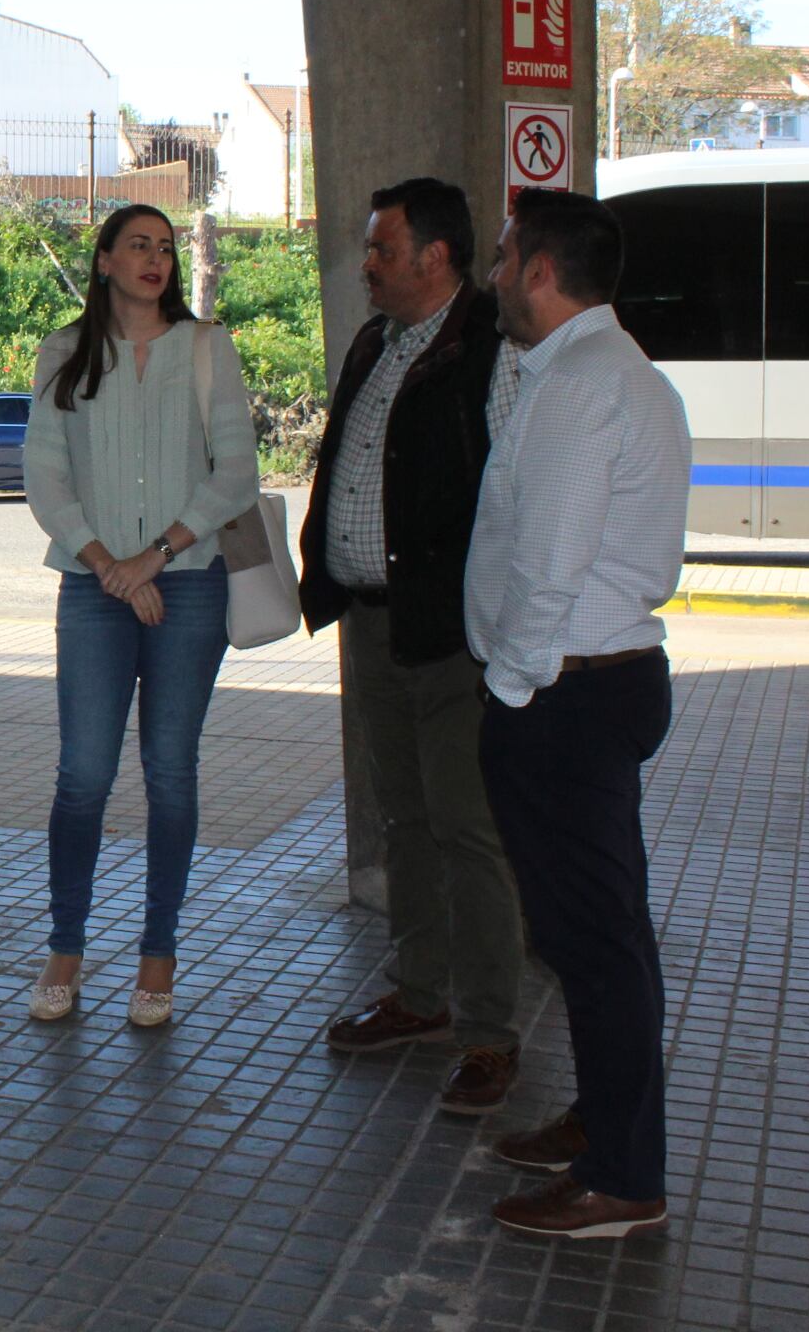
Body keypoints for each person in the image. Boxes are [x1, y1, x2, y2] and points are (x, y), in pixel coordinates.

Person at [464, 187, 691, 1240]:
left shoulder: (583, 384)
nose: (497, 275)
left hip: (568, 688)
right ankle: (604, 1122)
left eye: (507, 259)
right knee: (602, 934)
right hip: (594, 681)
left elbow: (548, 561)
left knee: (594, 945)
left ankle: (621, 1179)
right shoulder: (601, 369)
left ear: (543, 272)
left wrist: (511, 690)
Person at [300, 178, 528, 1117]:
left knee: (467, 827)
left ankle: (489, 1031)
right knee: (404, 816)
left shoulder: (491, 350)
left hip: (453, 633)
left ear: (436, 258)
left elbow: (515, 498)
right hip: (372, 620)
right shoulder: (377, 340)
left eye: (380, 250)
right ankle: (421, 997)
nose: (367, 266)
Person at [21, 204, 257, 1027]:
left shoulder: (207, 347)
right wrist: (109, 569)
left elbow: (236, 475)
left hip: (187, 584)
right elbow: (46, 480)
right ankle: (66, 946)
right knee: (83, 774)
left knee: (170, 773)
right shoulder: (64, 352)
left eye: (164, 248)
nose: (155, 260)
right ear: (104, 262)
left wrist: (151, 558)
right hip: (92, 590)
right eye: (139, 247)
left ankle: (158, 955)